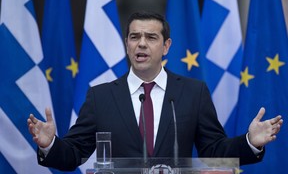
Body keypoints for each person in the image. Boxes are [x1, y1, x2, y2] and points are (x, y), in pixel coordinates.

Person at [27, 11, 283, 171]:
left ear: (166, 46)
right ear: (126, 44)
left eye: (151, 38)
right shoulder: (100, 97)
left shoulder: (193, 92)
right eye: (134, 37)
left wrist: (250, 143)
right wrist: (50, 145)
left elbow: (213, 151)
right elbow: (74, 154)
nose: (141, 44)